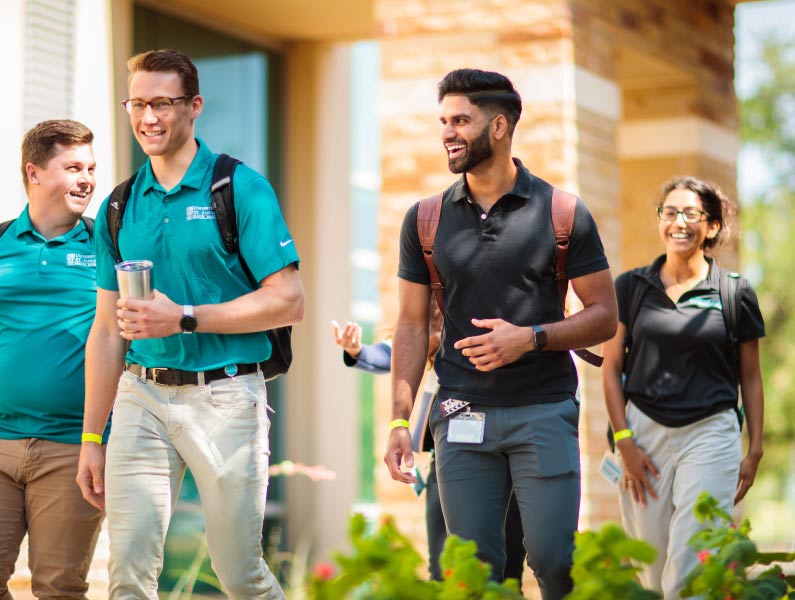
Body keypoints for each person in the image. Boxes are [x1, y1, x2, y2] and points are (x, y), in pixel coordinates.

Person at [75, 49, 304, 600]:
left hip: (225, 396)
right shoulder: (119, 205)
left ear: (194, 105)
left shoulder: (239, 188)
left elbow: (288, 301)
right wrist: (91, 436)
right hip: (141, 396)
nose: (148, 117)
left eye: (162, 103)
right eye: (137, 104)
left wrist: (182, 317)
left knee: (239, 574)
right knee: (128, 573)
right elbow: (106, 331)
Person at [384, 68, 617, 600]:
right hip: (461, 413)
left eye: (461, 121)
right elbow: (412, 324)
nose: (448, 133)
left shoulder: (562, 212)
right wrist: (399, 418)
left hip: (544, 410)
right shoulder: (424, 219)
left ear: (499, 126)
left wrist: (529, 337)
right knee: (474, 575)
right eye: (443, 121)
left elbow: (604, 315)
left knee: (556, 562)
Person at [601, 176, 765, 599]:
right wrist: (624, 442)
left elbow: (750, 375)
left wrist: (755, 448)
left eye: (691, 214)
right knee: (651, 566)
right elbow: (611, 368)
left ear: (712, 226)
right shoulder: (631, 287)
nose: (679, 222)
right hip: (643, 434)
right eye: (670, 212)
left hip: (710, 432)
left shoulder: (734, 292)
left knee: (690, 566)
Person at [332, 316, 527, 586]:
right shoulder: (434, 311)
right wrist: (358, 350)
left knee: (506, 572)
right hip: (450, 452)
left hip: (512, 450)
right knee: (443, 569)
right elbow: (396, 351)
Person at [0, 120, 103, 600]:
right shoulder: (0, 243)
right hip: (0, 441)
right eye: (73, 167)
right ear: (34, 172)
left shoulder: (108, 247)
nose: (87, 179)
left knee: (59, 588)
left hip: (72, 449)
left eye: (91, 169)